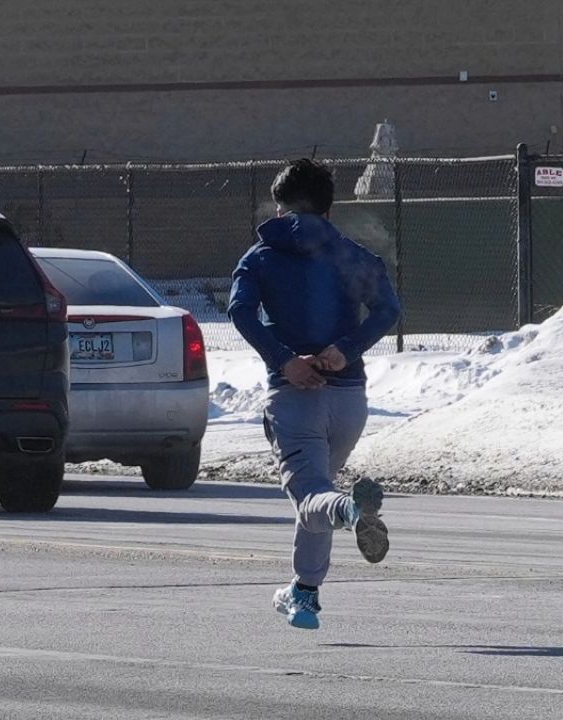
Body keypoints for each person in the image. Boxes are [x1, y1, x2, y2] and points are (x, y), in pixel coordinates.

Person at [229, 159, 402, 631]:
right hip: (350, 401)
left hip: (294, 397)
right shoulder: (354, 255)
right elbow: (388, 310)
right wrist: (345, 351)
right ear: (329, 206)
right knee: (317, 485)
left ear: (282, 205)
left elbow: (240, 311)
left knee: (313, 497)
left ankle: (350, 511)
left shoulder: (260, 257)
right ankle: (304, 594)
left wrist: (285, 359)